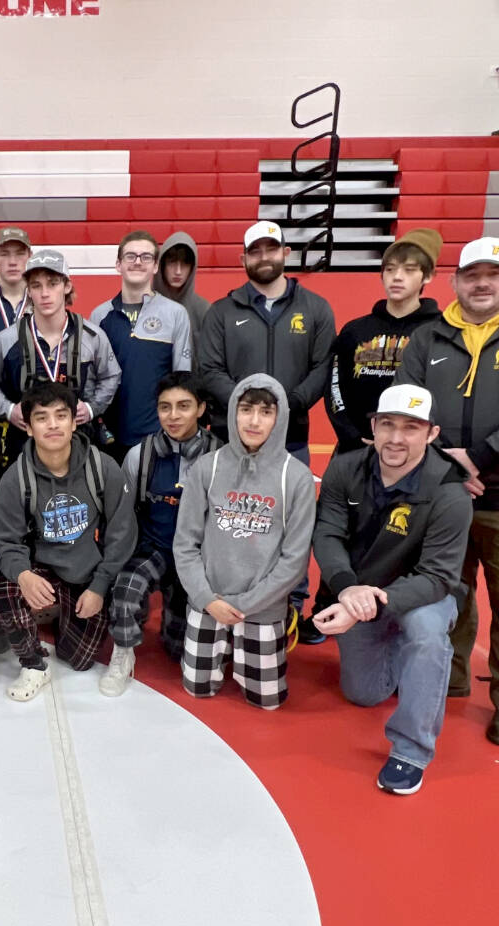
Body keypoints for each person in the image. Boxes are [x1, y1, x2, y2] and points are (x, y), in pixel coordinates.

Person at [395, 236, 499, 748]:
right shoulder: (429, 336)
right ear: (455, 282)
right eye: (472, 275)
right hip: (445, 491)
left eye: (493, 273)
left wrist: (482, 455)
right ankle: (451, 677)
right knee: (450, 591)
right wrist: (449, 464)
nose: (482, 283)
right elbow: (408, 404)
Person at [311, 385, 472, 794]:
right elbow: (327, 533)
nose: (396, 438)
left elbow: (437, 576)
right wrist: (347, 590)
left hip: (424, 593)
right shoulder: (345, 469)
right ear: (373, 427)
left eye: (411, 428)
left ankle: (411, 750)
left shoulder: (450, 492)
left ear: (431, 434)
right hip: (363, 590)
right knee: (363, 694)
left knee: (426, 635)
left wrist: (371, 604)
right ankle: (404, 655)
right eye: (388, 425)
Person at [197, 221, 334, 643]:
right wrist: (246, 413)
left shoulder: (316, 309)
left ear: (285, 253)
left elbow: (322, 369)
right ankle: (227, 604)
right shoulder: (222, 312)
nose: (263, 257)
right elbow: (210, 370)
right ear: (243, 258)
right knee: (233, 526)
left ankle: (290, 607)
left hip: (292, 444)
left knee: (290, 529)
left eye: (271, 249)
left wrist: (281, 411)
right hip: (232, 444)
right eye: (255, 251)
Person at [173, 374, 316, 710]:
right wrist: (207, 599)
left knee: (266, 701)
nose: (254, 421)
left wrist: (247, 604)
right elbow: (185, 544)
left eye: (266, 412)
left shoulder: (296, 477)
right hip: (209, 602)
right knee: (197, 689)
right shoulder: (207, 467)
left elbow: (295, 561)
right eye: (246, 409)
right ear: (233, 412)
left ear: (279, 418)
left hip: (262, 607)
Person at [0, 381, 137, 702]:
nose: (53, 424)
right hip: (41, 568)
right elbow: (6, 541)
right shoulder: (16, 478)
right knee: (4, 584)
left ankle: (56, 613)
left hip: (85, 573)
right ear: (28, 428)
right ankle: (33, 664)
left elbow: (122, 533)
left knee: (79, 660)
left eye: (61, 415)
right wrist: (23, 574)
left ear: (74, 422)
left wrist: (99, 587)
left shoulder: (102, 467)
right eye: (42, 418)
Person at [110, 372, 222, 687]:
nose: (173, 416)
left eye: (183, 406)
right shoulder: (140, 455)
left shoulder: (220, 457)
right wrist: (119, 562)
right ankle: (123, 652)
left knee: (177, 650)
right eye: (165, 407)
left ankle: (177, 620)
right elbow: (124, 514)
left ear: (201, 409)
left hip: (198, 558)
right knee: (126, 588)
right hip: (155, 549)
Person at [0, 249, 120, 503]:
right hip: (23, 447)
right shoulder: (6, 340)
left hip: (80, 445)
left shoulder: (92, 337)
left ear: (67, 286)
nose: (45, 293)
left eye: (53, 283)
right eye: (36, 285)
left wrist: (91, 408)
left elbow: (112, 376)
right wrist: (8, 409)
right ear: (28, 290)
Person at [326, 229, 443, 454]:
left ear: (427, 276)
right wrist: (352, 438)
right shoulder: (354, 330)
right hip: (354, 450)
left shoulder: (441, 331)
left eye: (409, 270)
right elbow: (334, 388)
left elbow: (445, 396)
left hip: (415, 453)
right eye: (390, 269)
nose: (397, 277)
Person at [90, 230, 193, 462]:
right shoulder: (99, 316)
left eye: (146, 257)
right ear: (118, 264)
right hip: (110, 438)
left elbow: (181, 380)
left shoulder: (176, 314)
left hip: (157, 436)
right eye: (130, 256)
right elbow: (94, 378)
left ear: (155, 266)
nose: (138, 262)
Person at [153, 231, 212, 368]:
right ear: (161, 265)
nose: (178, 271)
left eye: (185, 263)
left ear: (192, 268)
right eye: (172, 262)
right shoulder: (144, 306)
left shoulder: (203, 310)